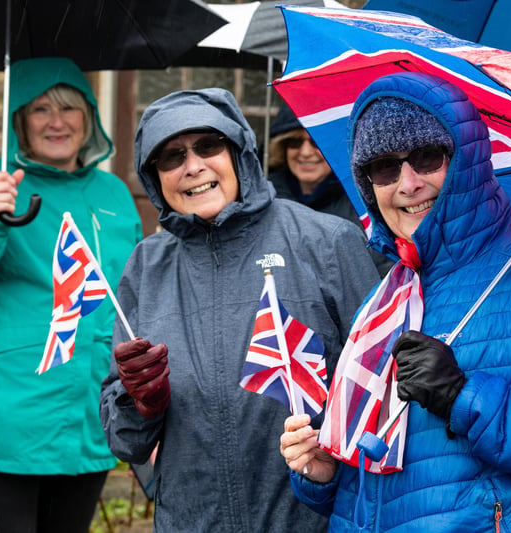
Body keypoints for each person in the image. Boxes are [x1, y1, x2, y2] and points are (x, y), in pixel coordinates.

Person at [279, 71, 511, 531]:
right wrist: (325, 473)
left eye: (427, 157)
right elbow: (383, 487)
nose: (408, 183)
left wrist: (464, 397)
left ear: (466, 161)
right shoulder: (385, 298)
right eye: (384, 168)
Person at [99, 87, 381, 531]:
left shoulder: (327, 241)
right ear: (155, 177)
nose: (193, 166)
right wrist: (141, 403)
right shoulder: (145, 267)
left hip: (312, 517)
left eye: (208, 145)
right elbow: (125, 440)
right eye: (171, 157)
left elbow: (382, 391)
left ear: (237, 152)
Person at [0, 57, 142, 533]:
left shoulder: (113, 192)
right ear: (18, 119)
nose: (57, 121)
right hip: (6, 419)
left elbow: (128, 295)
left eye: (69, 108)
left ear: (88, 116)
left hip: (89, 415)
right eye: (40, 109)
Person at [267, 103, 393, 277]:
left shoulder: (363, 206)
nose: (305, 153)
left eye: (316, 142)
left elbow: (381, 273)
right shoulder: (266, 200)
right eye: (294, 142)